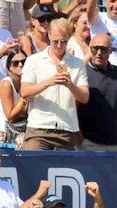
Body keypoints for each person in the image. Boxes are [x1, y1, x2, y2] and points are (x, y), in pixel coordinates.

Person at [18, 17, 89, 150]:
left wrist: (70, 85)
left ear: (69, 38)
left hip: (66, 129)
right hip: (39, 129)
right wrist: (48, 82)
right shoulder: (34, 60)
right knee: (33, 168)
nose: (59, 46)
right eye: (55, 41)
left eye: (64, 42)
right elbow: (25, 92)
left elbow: (84, 97)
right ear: (49, 35)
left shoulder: (77, 64)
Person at [80, 31, 117, 151]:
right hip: (88, 142)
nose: (99, 53)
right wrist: (78, 133)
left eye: (103, 49)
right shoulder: (82, 72)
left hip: (115, 142)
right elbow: (74, 105)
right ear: (90, 49)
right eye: (95, 49)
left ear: (111, 50)